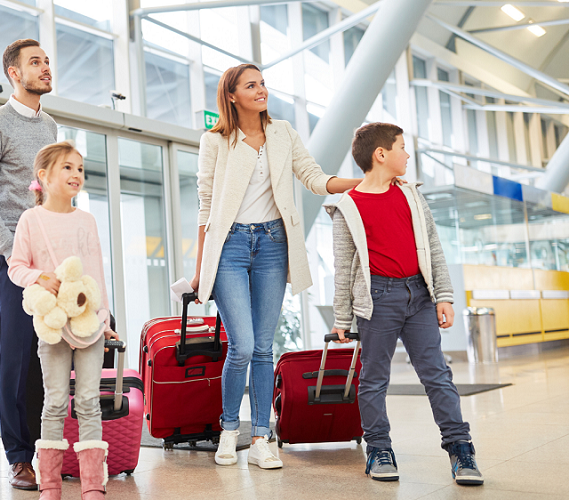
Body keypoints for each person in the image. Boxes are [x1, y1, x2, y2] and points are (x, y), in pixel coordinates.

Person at [190, 63, 366, 469]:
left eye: (263, 83)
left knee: (265, 348)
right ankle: (229, 429)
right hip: (229, 246)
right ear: (231, 95)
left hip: (272, 244)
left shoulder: (283, 132)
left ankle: (260, 440)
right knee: (244, 346)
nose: (261, 90)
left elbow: (313, 177)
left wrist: (360, 183)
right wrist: (202, 268)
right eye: (251, 85)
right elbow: (205, 206)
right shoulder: (215, 141)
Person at [325, 122, 483, 486]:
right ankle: (379, 449)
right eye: (401, 147)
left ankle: (461, 449)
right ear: (381, 154)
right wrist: (342, 319)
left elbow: (433, 247)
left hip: (420, 296)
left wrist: (443, 295)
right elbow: (343, 268)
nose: (407, 154)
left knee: (437, 375)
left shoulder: (412, 195)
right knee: (374, 378)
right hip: (377, 299)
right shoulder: (348, 207)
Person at [0, 38, 57, 491]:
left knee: (49, 353)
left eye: (46, 60)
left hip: (49, 254)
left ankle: (47, 446)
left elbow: (49, 191)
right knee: (17, 354)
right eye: (35, 62)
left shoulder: (50, 126)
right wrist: (9, 250)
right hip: (10, 253)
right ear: (14, 73)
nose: (45, 68)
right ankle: (19, 456)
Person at [8, 141, 119, 500]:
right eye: (68, 168)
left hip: (88, 326)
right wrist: (39, 276)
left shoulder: (86, 220)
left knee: (88, 400)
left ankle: (93, 487)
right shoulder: (30, 220)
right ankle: (51, 487)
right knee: (54, 402)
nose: (76, 175)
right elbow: (16, 268)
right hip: (53, 326)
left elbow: (96, 275)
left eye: (80, 169)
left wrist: (104, 319)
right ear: (44, 176)